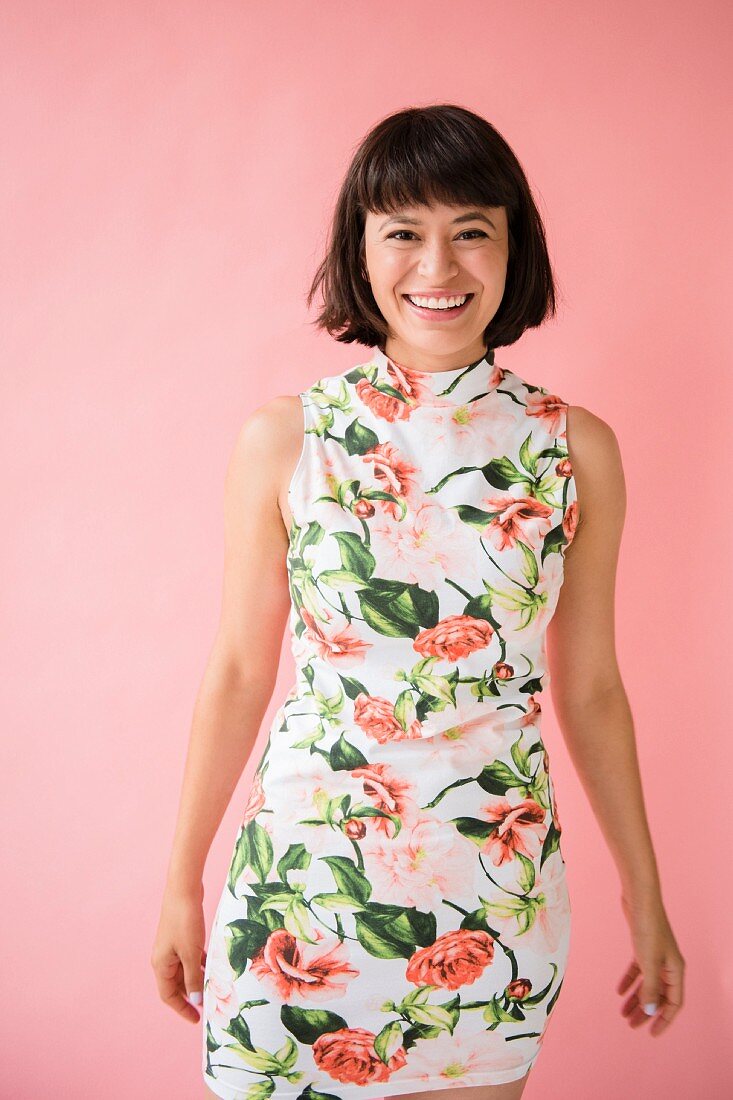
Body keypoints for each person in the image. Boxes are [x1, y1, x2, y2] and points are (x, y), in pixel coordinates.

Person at [151, 104, 685, 1100]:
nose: (437, 264)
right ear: (360, 249)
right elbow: (236, 669)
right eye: (403, 230)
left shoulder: (574, 450)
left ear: (511, 246)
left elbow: (595, 689)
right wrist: (181, 879)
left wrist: (645, 897)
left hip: (491, 915)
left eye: (470, 229)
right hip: (302, 900)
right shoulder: (286, 438)